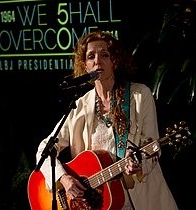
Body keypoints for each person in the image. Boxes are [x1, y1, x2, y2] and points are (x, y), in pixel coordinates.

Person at [36, 30, 179, 210]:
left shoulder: (140, 96)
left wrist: (138, 165)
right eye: (91, 57)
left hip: (140, 201)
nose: (97, 61)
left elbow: (153, 148)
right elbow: (44, 149)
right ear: (85, 66)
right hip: (100, 204)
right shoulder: (79, 106)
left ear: (115, 61)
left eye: (105, 55)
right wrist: (64, 179)